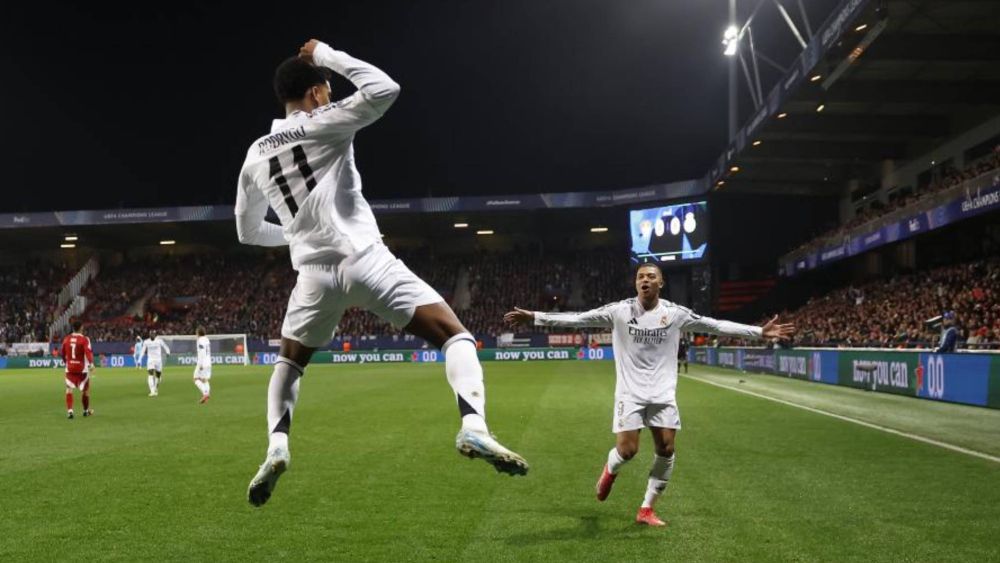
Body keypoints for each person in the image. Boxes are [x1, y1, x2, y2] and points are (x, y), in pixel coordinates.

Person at [236, 38, 528, 507]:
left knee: (289, 365)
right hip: (363, 258)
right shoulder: (325, 122)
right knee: (456, 338)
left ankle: (277, 447)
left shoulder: (254, 154)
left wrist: (295, 236)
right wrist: (325, 54)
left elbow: (248, 231)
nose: (329, 95)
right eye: (326, 89)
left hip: (311, 274)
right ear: (314, 93)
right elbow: (385, 88)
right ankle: (473, 426)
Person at [505, 262, 794, 526]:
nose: (645, 280)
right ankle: (610, 468)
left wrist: (758, 332)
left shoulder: (675, 314)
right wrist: (534, 317)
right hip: (630, 392)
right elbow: (577, 319)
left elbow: (714, 324)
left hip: (663, 393)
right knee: (628, 451)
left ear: (661, 283)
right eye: (641, 276)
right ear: (635, 283)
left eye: (651, 277)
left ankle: (646, 509)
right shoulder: (619, 311)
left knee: (666, 449)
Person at [61, 321, 94, 419]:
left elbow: (62, 353)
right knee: (85, 391)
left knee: (69, 389)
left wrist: (65, 362)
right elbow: (88, 352)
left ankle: (70, 411)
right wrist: (91, 363)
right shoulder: (84, 339)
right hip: (81, 369)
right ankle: (85, 411)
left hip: (70, 368)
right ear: (81, 328)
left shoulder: (66, 339)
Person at [141, 331, 170, 397]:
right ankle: (152, 391)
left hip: (158, 360)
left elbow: (165, 346)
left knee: (158, 375)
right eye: (151, 334)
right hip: (150, 360)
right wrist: (140, 359)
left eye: (153, 334)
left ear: (155, 335)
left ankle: (156, 388)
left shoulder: (159, 341)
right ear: (149, 334)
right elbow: (143, 351)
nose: (152, 335)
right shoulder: (146, 342)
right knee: (150, 374)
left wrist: (168, 352)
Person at [193, 327, 212, 404]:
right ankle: (207, 394)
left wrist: (201, 364)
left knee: (196, 379)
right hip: (208, 362)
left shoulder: (200, 340)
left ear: (198, 333)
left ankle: (205, 393)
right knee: (205, 380)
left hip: (202, 362)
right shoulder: (207, 339)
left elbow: (202, 352)